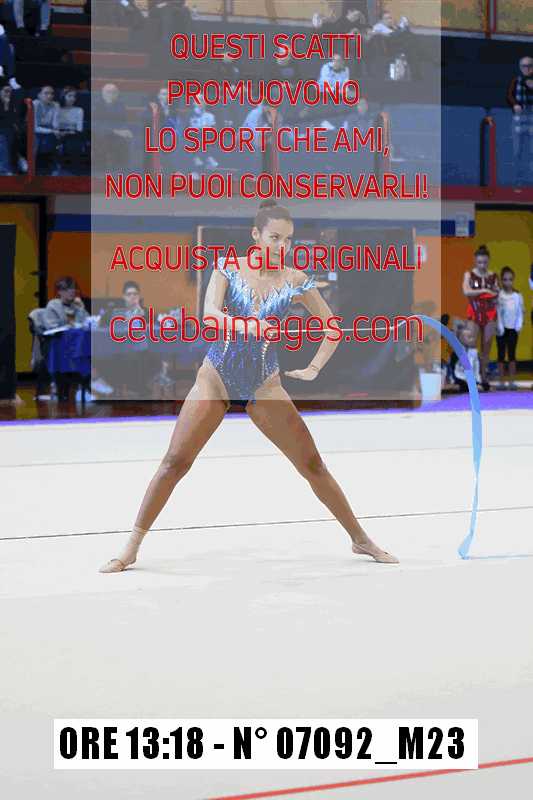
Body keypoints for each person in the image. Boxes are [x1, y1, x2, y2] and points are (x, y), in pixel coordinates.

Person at [99, 200, 399, 572]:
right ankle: (131, 546)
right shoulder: (227, 267)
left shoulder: (295, 280)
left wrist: (314, 367)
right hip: (217, 376)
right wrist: (246, 325)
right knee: (175, 462)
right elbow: (209, 315)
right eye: (274, 237)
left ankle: (360, 538)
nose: (281, 246)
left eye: (288, 239)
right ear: (256, 234)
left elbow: (332, 326)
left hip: (264, 382)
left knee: (312, 464)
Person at [462, 244, 499, 389]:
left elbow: (496, 293)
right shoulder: (469, 275)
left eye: (485, 262)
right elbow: (466, 291)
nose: (482, 265)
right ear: (475, 261)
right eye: (479, 262)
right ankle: (471, 378)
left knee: (486, 348)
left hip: (489, 314)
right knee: (471, 345)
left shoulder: (493, 275)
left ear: (488, 260)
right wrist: (484, 291)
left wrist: (490, 293)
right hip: (474, 312)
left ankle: (484, 378)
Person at [506, 56, 533, 189]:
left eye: (529, 66)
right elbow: (509, 95)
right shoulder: (516, 80)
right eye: (524, 66)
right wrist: (515, 104)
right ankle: (518, 181)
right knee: (517, 152)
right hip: (518, 119)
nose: (527, 69)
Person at [495, 266, 524, 390]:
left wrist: (519, 325)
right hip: (501, 329)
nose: (508, 282)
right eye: (505, 279)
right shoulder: (499, 295)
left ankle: (512, 381)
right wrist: (499, 326)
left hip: (513, 329)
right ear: (501, 280)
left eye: (510, 279)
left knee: (512, 354)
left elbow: (520, 312)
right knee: (501, 355)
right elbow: (497, 312)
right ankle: (501, 382)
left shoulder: (517, 296)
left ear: (513, 280)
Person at [33, 84, 62, 175]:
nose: (50, 96)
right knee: (36, 138)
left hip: (49, 130)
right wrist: (52, 131)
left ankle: (53, 166)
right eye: (46, 93)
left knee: (56, 137)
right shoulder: (35, 104)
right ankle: (32, 167)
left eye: (52, 93)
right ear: (39, 95)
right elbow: (34, 127)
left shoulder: (56, 105)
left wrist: (55, 131)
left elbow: (55, 125)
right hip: (34, 130)